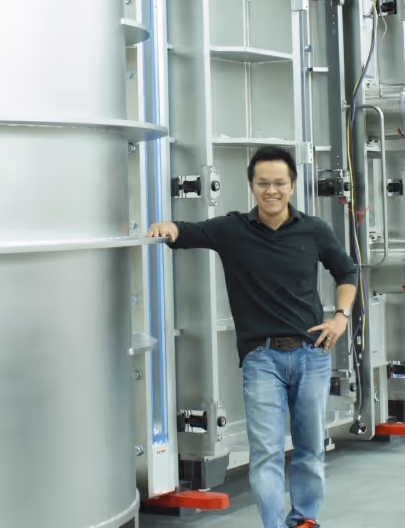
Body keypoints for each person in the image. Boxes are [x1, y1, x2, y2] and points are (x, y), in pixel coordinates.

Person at [147, 145, 359, 528]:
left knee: (311, 448)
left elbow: (347, 272)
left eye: (280, 183)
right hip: (262, 360)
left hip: (312, 355)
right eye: (263, 183)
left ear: (293, 186)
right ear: (251, 186)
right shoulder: (233, 230)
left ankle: (305, 520)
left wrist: (341, 317)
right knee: (266, 454)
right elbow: (188, 232)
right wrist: (167, 228)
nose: (271, 191)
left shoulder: (314, 231)